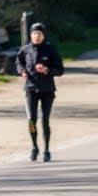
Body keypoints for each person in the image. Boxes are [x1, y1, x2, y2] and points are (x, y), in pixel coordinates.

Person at [15, 22, 65, 162]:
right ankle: (34, 147)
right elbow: (18, 62)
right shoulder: (25, 49)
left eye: (39, 34)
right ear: (31, 35)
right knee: (31, 120)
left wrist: (47, 70)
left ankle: (47, 150)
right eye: (34, 33)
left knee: (45, 121)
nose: (36, 36)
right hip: (31, 89)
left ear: (43, 35)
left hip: (47, 90)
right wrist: (22, 71)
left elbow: (60, 70)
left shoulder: (50, 49)